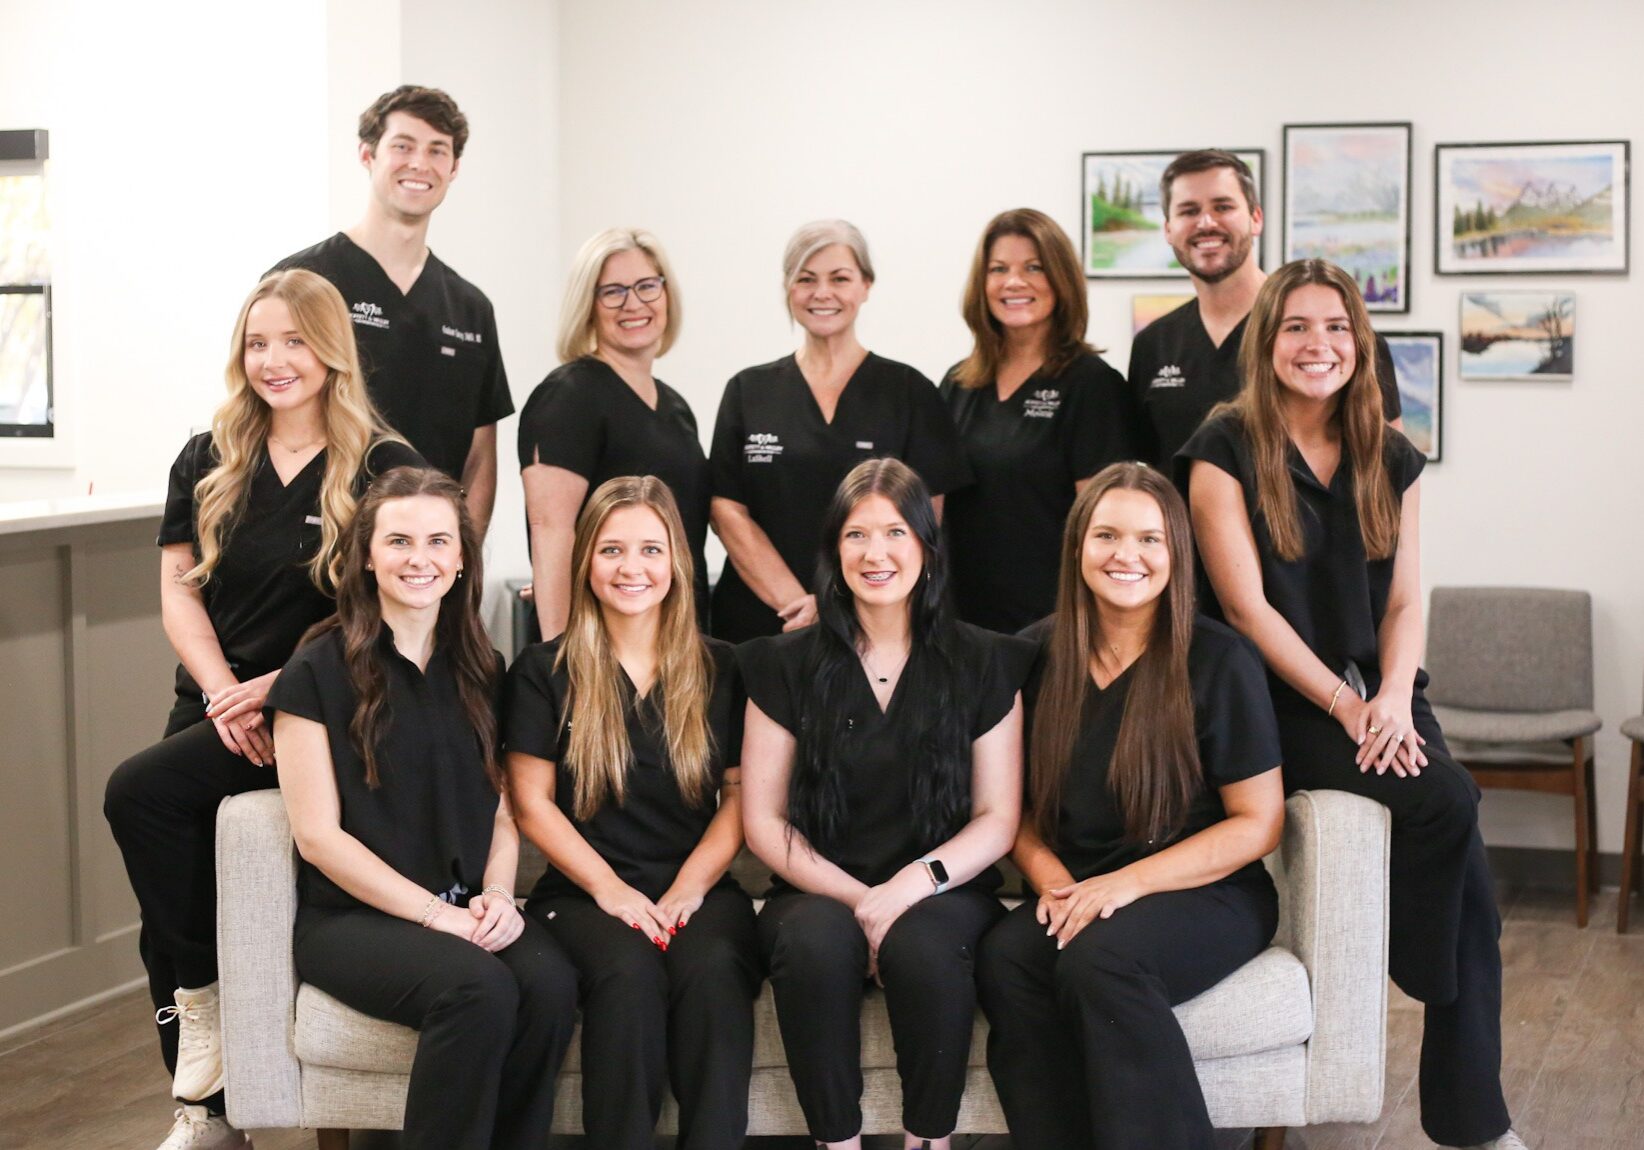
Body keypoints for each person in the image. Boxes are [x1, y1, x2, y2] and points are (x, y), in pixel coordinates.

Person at [1181, 259, 1522, 1150]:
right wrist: (1344, 708)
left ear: (1359, 344)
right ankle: (1413, 961)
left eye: (1336, 327)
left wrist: (1397, 702)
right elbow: (1247, 610)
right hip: (1278, 704)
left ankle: (1473, 1125)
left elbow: (1406, 602)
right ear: (1268, 341)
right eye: (1297, 326)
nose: (1318, 344)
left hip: (1386, 692)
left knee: (1476, 898)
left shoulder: (1390, 452)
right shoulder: (1221, 449)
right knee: (1447, 799)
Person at [103, 269, 422, 1150]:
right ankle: (205, 1111)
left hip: (322, 704)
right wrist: (221, 693)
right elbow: (177, 592)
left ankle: (217, 1025)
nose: (274, 360)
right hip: (213, 705)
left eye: (294, 341)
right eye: (258, 342)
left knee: (136, 794)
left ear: (330, 351)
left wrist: (284, 685)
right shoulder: (207, 455)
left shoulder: (383, 464)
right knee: (167, 908)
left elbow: (391, 603)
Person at [976, 463, 1285, 1149]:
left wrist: (1126, 884)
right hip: (1080, 884)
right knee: (1008, 955)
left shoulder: (1219, 658)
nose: (1127, 555)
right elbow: (1011, 811)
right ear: (1077, 545)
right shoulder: (1033, 653)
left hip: (1209, 890)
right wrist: (1052, 879)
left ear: (1177, 553)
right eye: (1107, 535)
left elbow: (1260, 822)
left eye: (1150, 540)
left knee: (1099, 961)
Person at [272, 466, 578, 1150]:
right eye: (400, 541)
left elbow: (503, 807)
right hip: (352, 921)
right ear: (367, 554)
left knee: (552, 982)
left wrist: (499, 893)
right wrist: (437, 916)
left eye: (439, 541)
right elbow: (317, 838)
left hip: (465, 902)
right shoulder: (314, 672)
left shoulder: (482, 665)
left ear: (462, 557)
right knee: (479, 989)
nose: (420, 559)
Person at [739, 458, 1029, 1150]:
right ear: (834, 553)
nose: (876, 553)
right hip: (816, 887)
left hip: (945, 888)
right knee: (813, 944)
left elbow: (998, 817)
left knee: (924, 945)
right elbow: (763, 820)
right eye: (856, 535)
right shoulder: (781, 664)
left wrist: (907, 890)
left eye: (896, 532)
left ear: (927, 548)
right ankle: (834, 1141)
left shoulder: (987, 661)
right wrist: (861, 901)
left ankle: (928, 1139)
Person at [506, 475, 760, 1150]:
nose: (632, 569)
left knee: (710, 977)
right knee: (629, 976)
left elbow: (740, 799)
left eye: (650, 550)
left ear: (676, 561)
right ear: (586, 560)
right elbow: (531, 804)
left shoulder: (721, 667)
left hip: (698, 888)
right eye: (613, 550)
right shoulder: (542, 670)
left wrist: (689, 888)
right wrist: (610, 889)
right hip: (584, 893)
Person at [709, 220, 969, 643]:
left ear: (865, 285)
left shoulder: (908, 392)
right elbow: (728, 512)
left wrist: (835, 602)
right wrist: (797, 602)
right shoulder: (748, 390)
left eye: (840, 278)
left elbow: (925, 520)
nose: (822, 293)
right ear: (788, 288)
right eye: (806, 279)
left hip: (874, 623)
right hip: (762, 622)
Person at [272, 84, 514, 536]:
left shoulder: (470, 309)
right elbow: (263, 419)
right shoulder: (303, 282)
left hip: (422, 566)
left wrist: (464, 563)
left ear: (454, 167)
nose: (420, 163)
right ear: (367, 154)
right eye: (402, 146)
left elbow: (480, 456)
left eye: (437, 151)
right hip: (318, 551)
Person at [1127, 149, 1402, 469]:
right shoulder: (1154, 345)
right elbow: (1149, 475)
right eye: (1189, 210)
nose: (1206, 222)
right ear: (1168, 229)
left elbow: (1389, 468)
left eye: (1223, 206)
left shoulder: (1336, 340)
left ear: (1255, 218)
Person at [941, 208, 1137, 632]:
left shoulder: (1092, 385)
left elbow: (1102, 523)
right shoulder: (958, 383)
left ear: (1061, 279)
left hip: (1051, 621)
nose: (1014, 282)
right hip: (961, 620)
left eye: (1034, 267)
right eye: (999, 269)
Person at [518, 228, 710, 638]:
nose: (633, 304)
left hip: (675, 641)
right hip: (597, 646)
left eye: (647, 286)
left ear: (666, 293)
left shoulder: (676, 408)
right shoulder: (568, 395)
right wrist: (560, 657)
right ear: (588, 305)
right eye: (613, 292)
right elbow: (551, 532)